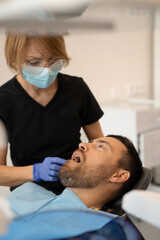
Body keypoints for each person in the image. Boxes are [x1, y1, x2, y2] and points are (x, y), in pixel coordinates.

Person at [0, 34, 104, 193]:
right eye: (34, 62)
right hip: (29, 196)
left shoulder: (77, 89)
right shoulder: (4, 101)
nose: (47, 69)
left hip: (77, 190)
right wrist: (36, 171)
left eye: (54, 60)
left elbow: (99, 142)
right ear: (15, 60)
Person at [1, 135, 143, 240]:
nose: (82, 144)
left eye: (101, 146)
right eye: (90, 142)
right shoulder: (29, 190)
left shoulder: (104, 230)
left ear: (118, 176)